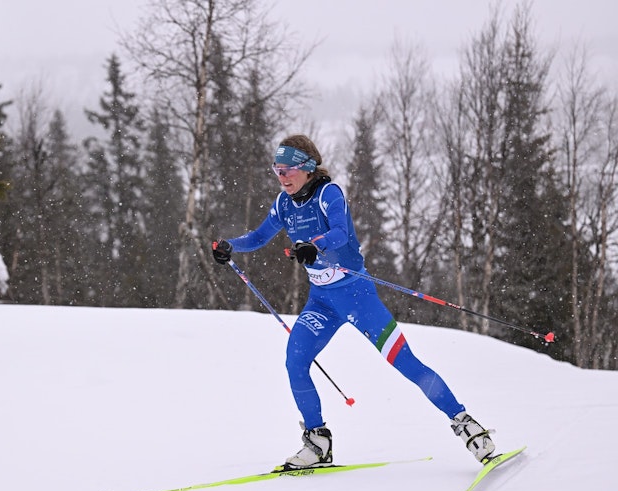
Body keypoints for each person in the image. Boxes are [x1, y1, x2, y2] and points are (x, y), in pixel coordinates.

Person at [211, 134, 495, 470]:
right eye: (277, 170)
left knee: (405, 363)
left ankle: (467, 427)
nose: (282, 177)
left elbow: (340, 233)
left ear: (306, 167)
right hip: (322, 302)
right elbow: (258, 237)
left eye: (287, 169)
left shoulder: (328, 194)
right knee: (295, 361)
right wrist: (230, 246)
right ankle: (317, 442)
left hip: (357, 297)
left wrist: (314, 245)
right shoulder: (284, 204)